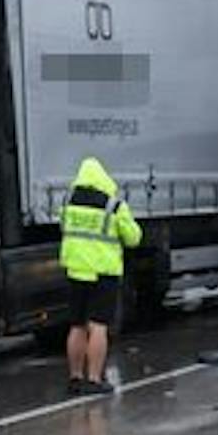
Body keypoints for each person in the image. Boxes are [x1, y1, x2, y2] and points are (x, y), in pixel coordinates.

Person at [59, 157, 142, 395]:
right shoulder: (113, 206)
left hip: (75, 271)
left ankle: (75, 378)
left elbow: (63, 227)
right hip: (103, 273)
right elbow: (133, 237)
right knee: (98, 326)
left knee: (76, 326)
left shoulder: (68, 202)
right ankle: (94, 379)